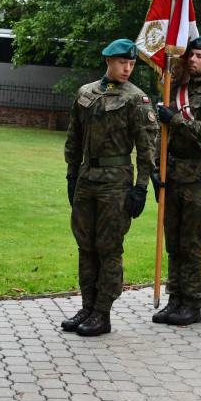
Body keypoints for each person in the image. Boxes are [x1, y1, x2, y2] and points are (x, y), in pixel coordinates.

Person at [62, 39, 156, 336]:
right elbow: (73, 139)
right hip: (87, 178)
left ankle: (102, 312)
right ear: (108, 61)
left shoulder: (136, 99)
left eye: (131, 64)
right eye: (122, 62)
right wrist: (71, 176)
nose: (128, 68)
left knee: (109, 248)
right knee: (85, 246)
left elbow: (146, 149)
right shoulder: (85, 93)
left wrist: (141, 187)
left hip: (116, 183)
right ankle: (87, 305)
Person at [152, 36, 201, 326]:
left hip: (199, 180)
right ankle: (174, 299)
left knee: (193, 243)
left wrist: (174, 120)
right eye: (191, 55)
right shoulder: (175, 90)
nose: (193, 60)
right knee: (173, 242)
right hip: (172, 175)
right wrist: (156, 167)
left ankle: (192, 304)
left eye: (199, 56)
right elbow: (160, 133)